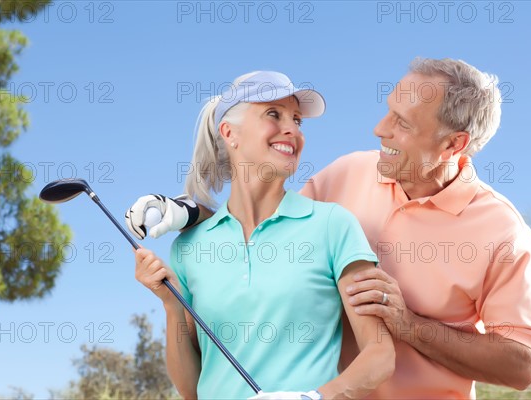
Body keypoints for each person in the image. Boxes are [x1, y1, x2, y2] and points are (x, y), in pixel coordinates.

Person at [127, 58, 531, 399]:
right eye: (388, 111)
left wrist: (410, 325)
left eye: (402, 123)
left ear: (453, 144)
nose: (380, 129)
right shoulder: (350, 174)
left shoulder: (501, 232)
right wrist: (185, 211)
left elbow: (522, 364)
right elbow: (263, 215)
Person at [131, 71, 395, 400]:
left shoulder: (332, 225)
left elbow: (380, 355)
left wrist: (313, 398)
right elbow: (190, 389)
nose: (292, 129)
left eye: (297, 120)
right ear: (230, 133)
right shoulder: (189, 248)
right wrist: (171, 305)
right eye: (274, 114)